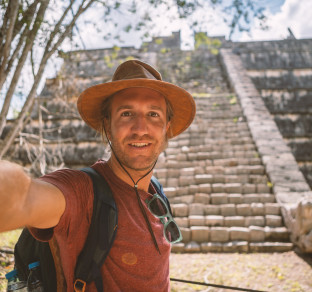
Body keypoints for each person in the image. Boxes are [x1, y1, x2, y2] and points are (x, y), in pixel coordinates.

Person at [0, 59, 196, 291]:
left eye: (153, 114)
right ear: (107, 124)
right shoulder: (82, 192)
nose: (140, 128)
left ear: (167, 127)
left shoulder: (157, 193)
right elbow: (23, 198)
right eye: (126, 113)